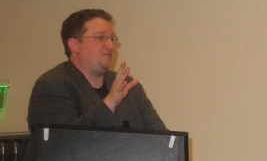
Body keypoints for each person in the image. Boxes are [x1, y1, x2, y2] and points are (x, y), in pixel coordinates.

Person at [27, 8, 165, 131]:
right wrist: (109, 103)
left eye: (112, 38)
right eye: (101, 38)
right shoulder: (52, 85)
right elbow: (62, 145)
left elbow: (163, 141)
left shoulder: (129, 87)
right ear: (74, 45)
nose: (111, 45)